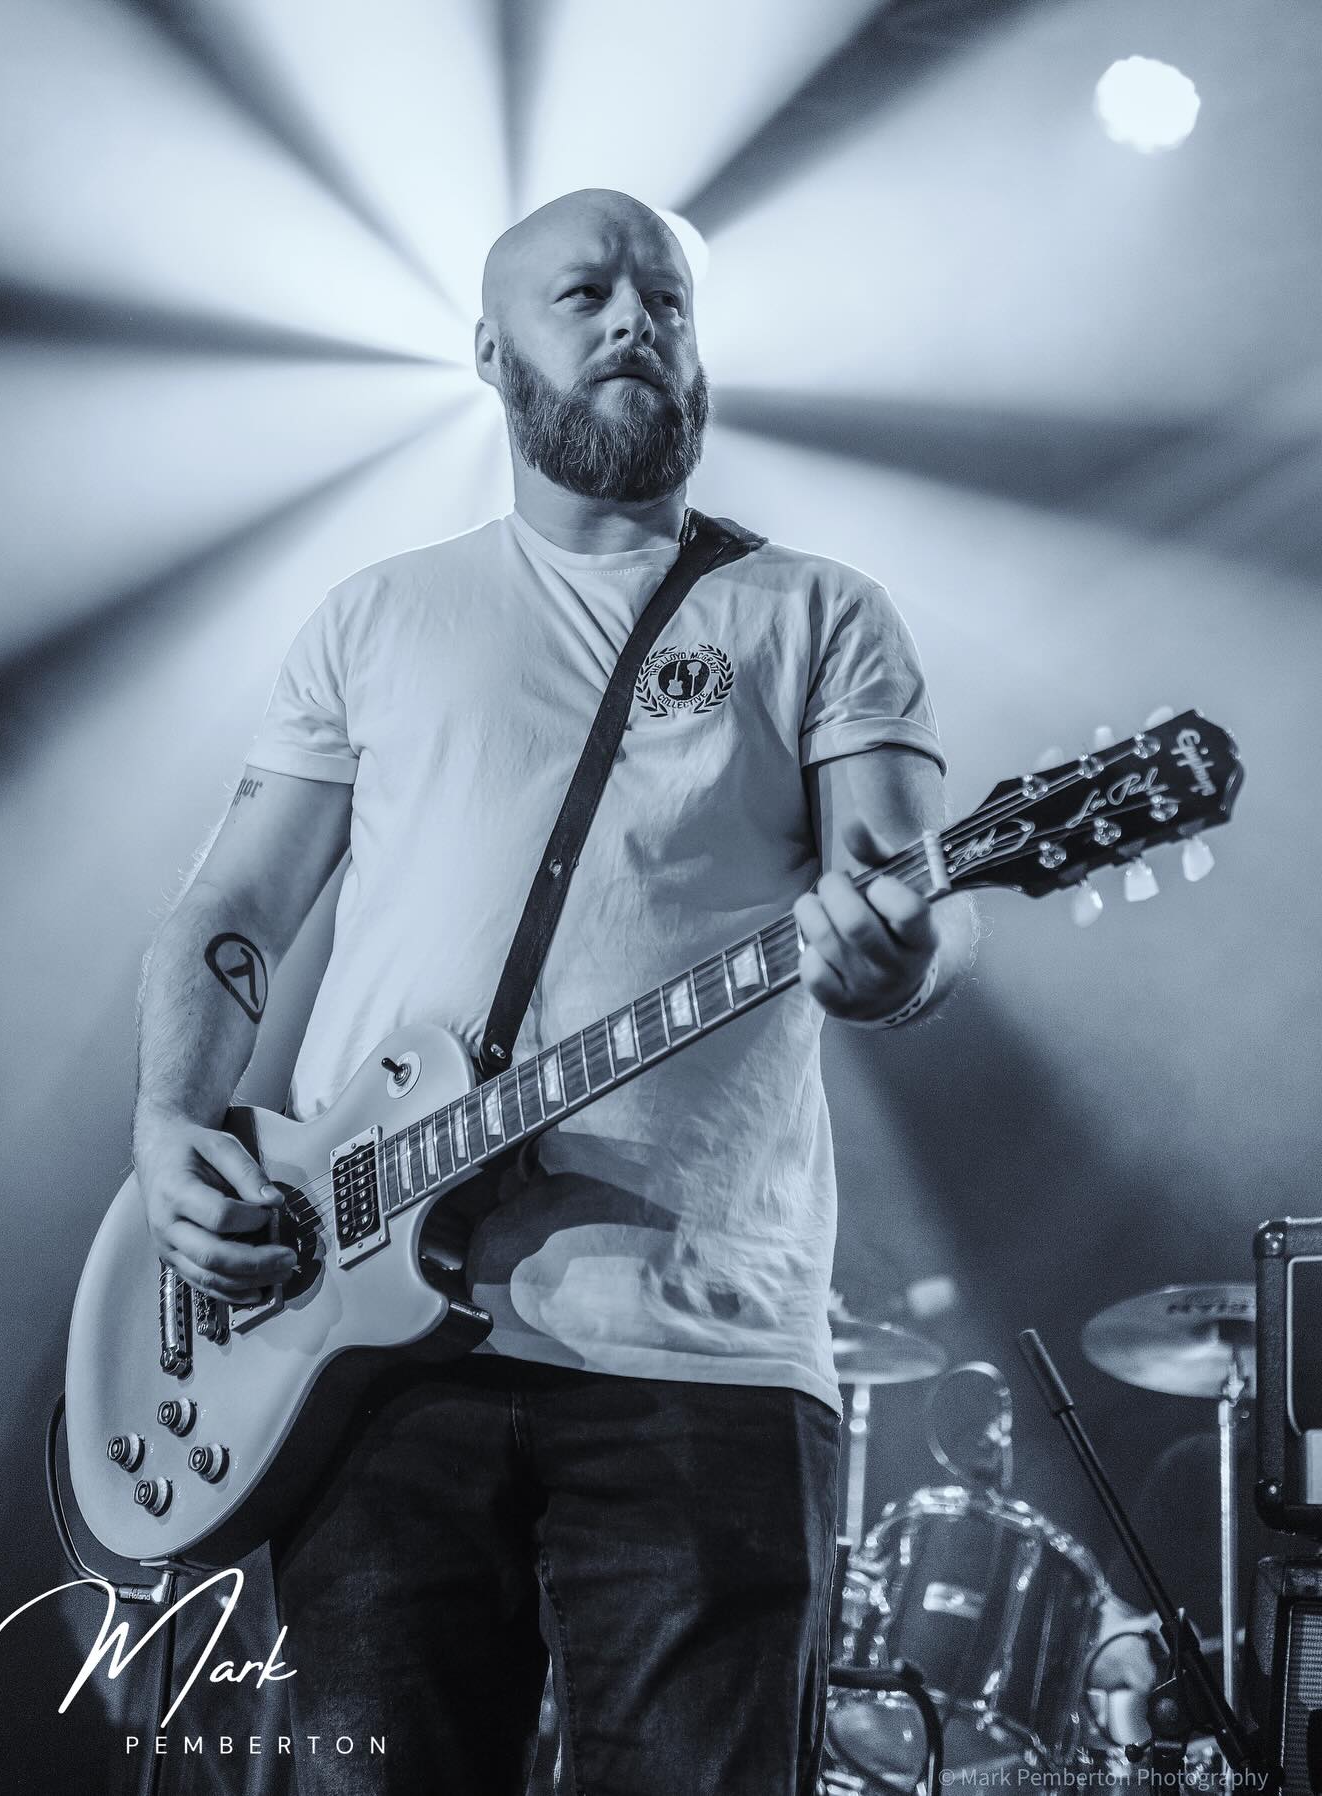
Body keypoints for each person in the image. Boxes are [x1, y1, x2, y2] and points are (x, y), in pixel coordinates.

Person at [131, 188, 975, 1795]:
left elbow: (913, 891)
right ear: (489, 350)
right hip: (363, 1362)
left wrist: (903, 955)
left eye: (662, 298)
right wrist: (172, 1117)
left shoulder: (816, 612)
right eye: (583, 293)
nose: (632, 321)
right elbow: (231, 908)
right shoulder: (376, 616)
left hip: (698, 1356)